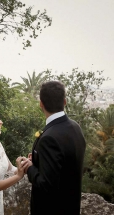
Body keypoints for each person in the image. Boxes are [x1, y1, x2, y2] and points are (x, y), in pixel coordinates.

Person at [24, 81, 86, 215]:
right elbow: (65, 164)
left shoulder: (49, 137)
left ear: (41, 104)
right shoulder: (75, 127)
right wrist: (38, 159)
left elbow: (46, 185)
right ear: (65, 101)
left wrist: (29, 167)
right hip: (71, 206)